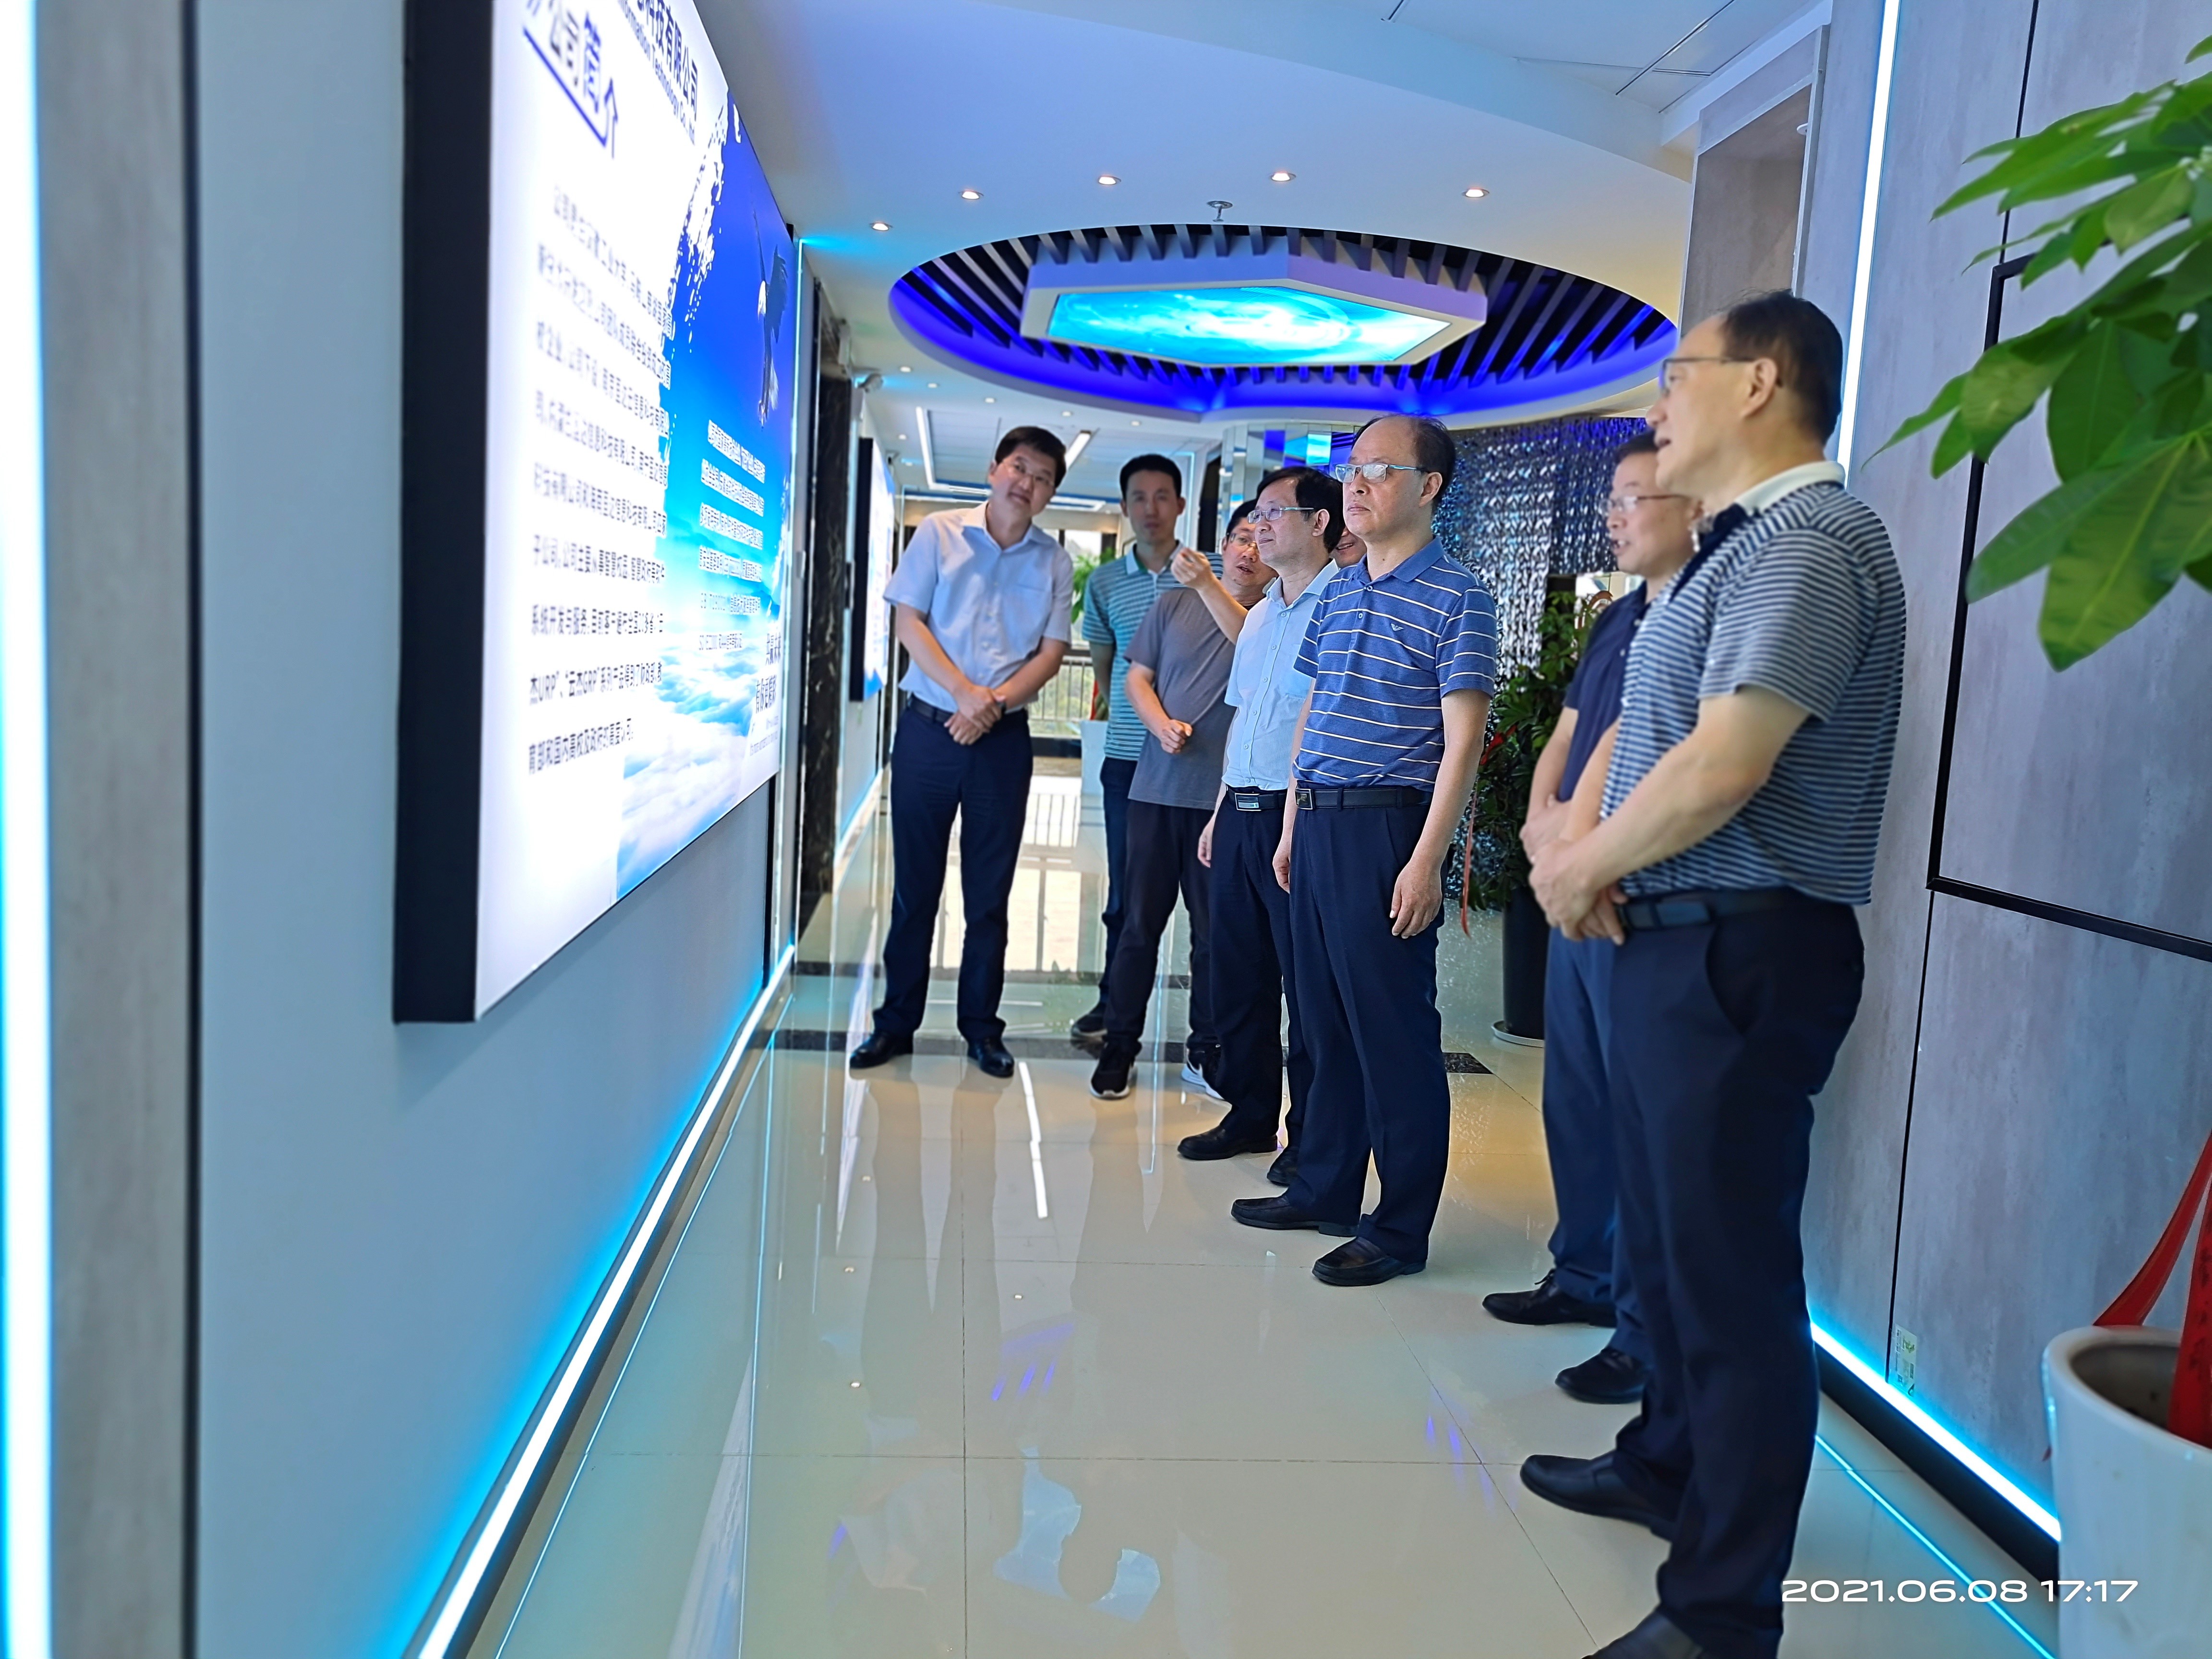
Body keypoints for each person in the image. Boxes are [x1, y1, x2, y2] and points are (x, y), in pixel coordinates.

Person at [1521, 292, 1905, 1659]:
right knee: (1675, 1254)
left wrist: (1579, 866)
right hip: (1676, 942)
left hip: (1745, 948)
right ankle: (1666, 1463)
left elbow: (1725, 764)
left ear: (1758, 383)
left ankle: (1722, 1611)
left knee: (1733, 1288)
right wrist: (1582, 851)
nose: (1657, 405)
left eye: (1676, 375)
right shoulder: (1727, 553)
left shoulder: (1812, 542)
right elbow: (1650, 738)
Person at [1230, 415, 1497, 1288]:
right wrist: (1291, 827)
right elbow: (1315, 711)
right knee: (1322, 1022)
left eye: (1380, 470)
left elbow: (1463, 741)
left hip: (1388, 828)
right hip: (1316, 825)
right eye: (1353, 470)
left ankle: (1399, 1226)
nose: (1356, 484)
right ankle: (1325, 1185)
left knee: (1391, 1033)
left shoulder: (1458, 595)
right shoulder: (1340, 590)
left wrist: (1425, 860)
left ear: (1429, 487)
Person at [1484, 432, 1696, 1409]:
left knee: (1638, 1114)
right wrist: (1543, 832)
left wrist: (1581, 850)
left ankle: (1643, 1333)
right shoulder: (1618, 618)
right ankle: (1582, 1272)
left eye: (1634, 498)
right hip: (1574, 878)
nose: (1614, 515)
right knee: (1573, 1095)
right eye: (1611, 499)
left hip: (1630, 894)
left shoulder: (1699, 615)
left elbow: (1663, 763)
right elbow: (1570, 735)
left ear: (1694, 507)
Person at [851, 427, 1073, 1081]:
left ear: (1050, 494)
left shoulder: (1054, 562)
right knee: (914, 890)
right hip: (928, 733)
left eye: (1041, 477)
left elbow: (1052, 653)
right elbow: (908, 622)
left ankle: (981, 1028)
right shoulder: (939, 533)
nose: (1026, 483)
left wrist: (991, 704)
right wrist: (965, 694)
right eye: (1018, 467)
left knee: (990, 896)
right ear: (994, 469)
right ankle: (895, 1024)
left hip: (1001, 741)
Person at [1174, 467, 1345, 1180]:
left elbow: (1321, 730)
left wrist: (1291, 828)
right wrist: (1219, 813)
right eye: (1258, 516)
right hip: (1241, 811)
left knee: (1305, 986)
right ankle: (1249, 1114)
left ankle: (1309, 1137)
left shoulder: (1343, 605)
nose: (1261, 526)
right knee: (1238, 975)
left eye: (1275, 513)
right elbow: (1245, 719)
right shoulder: (1264, 615)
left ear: (1320, 523)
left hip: (1295, 817)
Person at [1087, 504, 1270, 1100]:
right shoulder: (1172, 604)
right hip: (1157, 790)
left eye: (1262, 540)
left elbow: (1252, 651)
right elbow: (1136, 678)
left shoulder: (1273, 616)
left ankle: (1206, 1049)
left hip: (1224, 803)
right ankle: (1119, 1045)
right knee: (1138, 925)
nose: (1249, 551)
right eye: (1241, 538)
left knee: (1215, 935)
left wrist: (1211, 586)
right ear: (1225, 542)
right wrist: (1160, 724)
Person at [1072, 456, 1192, 1044]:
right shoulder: (1104, 583)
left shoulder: (1208, 573)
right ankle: (1112, 1003)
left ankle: (1211, 1029)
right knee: (1126, 893)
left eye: (1162, 496)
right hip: (1128, 758)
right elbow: (1105, 666)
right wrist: (1136, 713)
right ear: (1124, 507)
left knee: (1208, 902)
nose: (1151, 509)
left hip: (1199, 761)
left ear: (1181, 505)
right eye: (1139, 497)